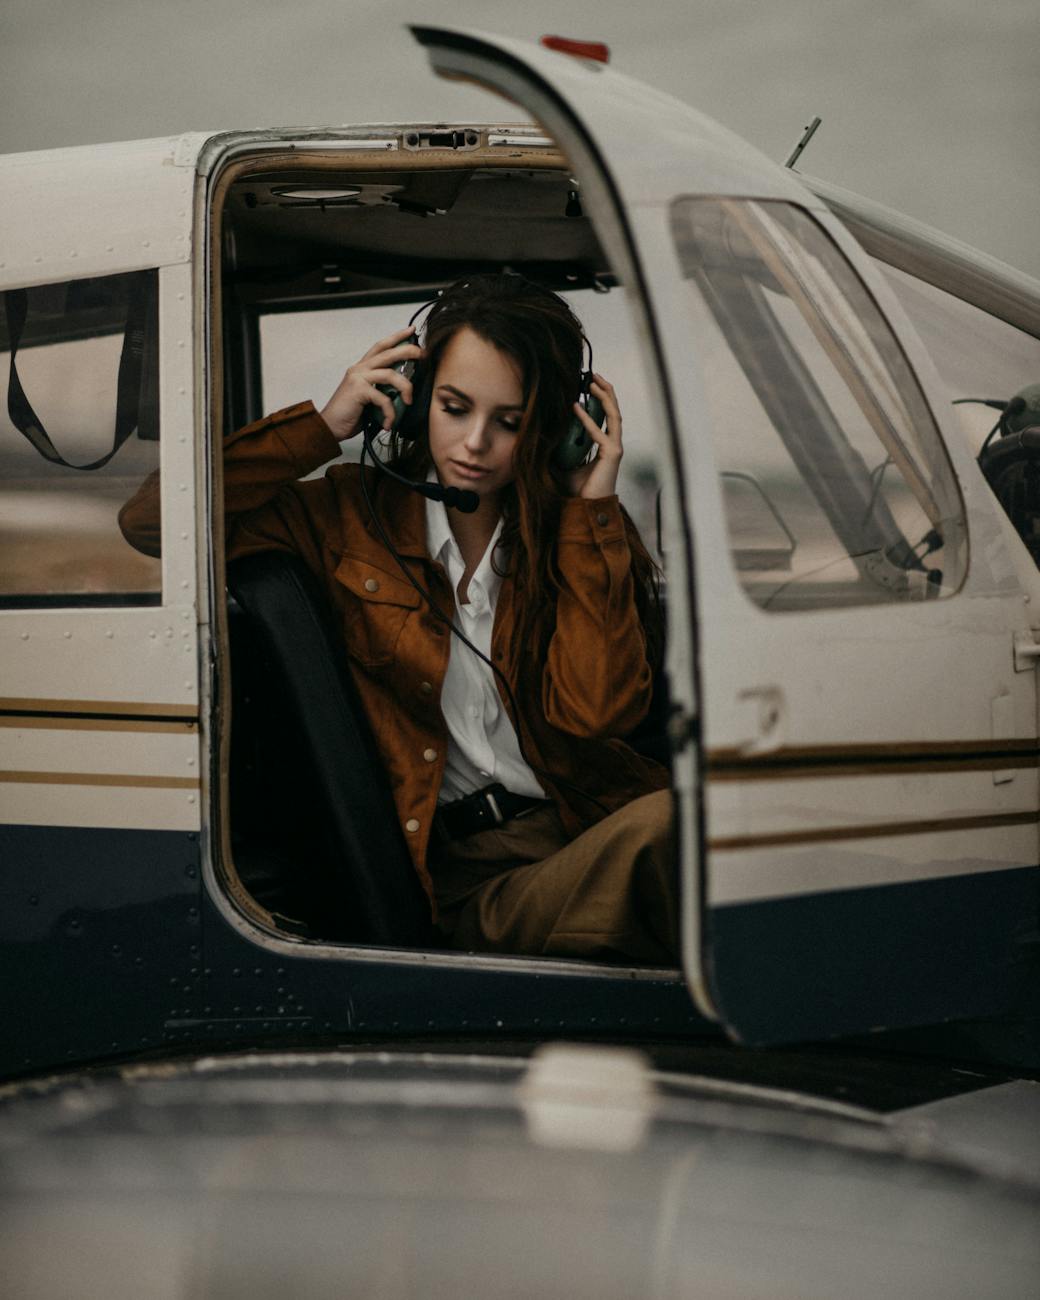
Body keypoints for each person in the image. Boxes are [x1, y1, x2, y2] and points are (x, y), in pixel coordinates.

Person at [120, 274, 677, 964]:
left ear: (557, 431)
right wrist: (324, 427)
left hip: (589, 829)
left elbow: (596, 714)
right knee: (680, 830)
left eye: (510, 422)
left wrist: (589, 510)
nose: (475, 443)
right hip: (470, 880)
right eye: (453, 407)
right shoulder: (344, 517)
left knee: (737, 830)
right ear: (413, 400)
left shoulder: (569, 537)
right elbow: (151, 521)